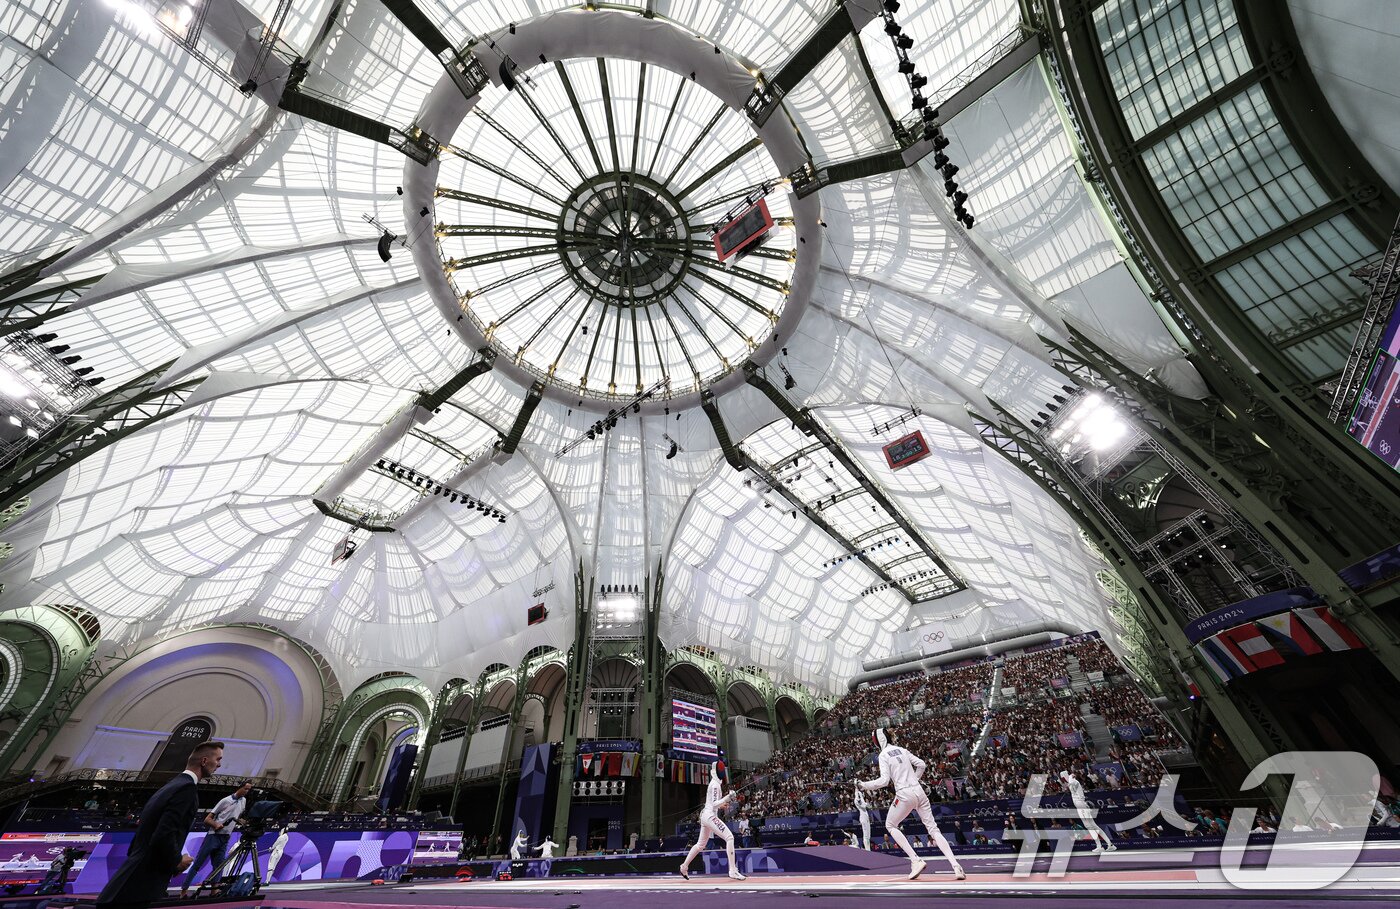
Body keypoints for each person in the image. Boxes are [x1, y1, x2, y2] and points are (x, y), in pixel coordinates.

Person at [97, 740, 223, 909]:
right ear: (204, 761)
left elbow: (141, 838)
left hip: (131, 876)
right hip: (140, 884)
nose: (219, 765)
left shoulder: (170, 786)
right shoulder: (186, 789)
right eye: (218, 759)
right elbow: (164, 833)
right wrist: (176, 860)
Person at [858, 728, 965, 881]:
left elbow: (884, 781)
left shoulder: (883, 755)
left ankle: (916, 860)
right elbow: (922, 765)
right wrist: (915, 780)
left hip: (904, 794)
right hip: (919, 791)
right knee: (934, 829)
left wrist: (863, 785)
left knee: (890, 825)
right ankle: (956, 866)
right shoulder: (902, 749)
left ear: (877, 741)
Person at [678, 760, 746, 881]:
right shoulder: (715, 784)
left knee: (700, 845)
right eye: (720, 769)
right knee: (729, 837)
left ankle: (684, 867)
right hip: (709, 816)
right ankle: (733, 870)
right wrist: (727, 797)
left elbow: (713, 803)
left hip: (706, 815)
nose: (722, 771)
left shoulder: (715, 784)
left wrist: (723, 804)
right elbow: (714, 804)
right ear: (716, 771)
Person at [182, 780, 252, 896]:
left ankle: (214, 891)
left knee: (219, 866)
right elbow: (207, 819)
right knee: (197, 864)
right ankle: (184, 891)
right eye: (245, 788)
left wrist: (244, 822)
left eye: (249, 790)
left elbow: (238, 817)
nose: (247, 791)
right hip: (213, 836)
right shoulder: (225, 801)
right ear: (239, 787)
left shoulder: (243, 801)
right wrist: (215, 825)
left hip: (225, 838)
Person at [1059, 771, 1115, 854]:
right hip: (1080, 808)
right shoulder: (1071, 782)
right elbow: (1068, 785)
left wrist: (1070, 776)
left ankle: (1105, 845)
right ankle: (1105, 845)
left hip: (1082, 806)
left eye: (1064, 778)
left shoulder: (1074, 781)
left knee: (1092, 826)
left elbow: (1071, 783)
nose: (1064, 780)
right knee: (1091, 826)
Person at [854, 785, 872, 850]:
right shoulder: (857, 800)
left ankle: (868, 849)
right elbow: (864, 806)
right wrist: (867, 803)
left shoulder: (861, 798)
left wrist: (856, 785)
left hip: (866, 816)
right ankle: (867, 851)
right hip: (863, 817)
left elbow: (869, 806)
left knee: (868, 835)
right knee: (866, 835)